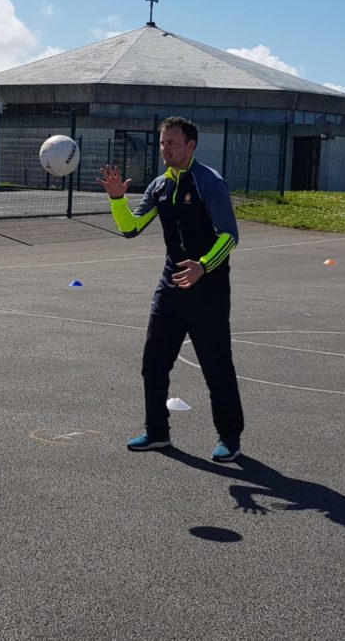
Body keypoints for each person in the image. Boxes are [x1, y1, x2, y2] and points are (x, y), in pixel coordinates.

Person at [96, 116, 246, 462]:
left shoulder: (210, 183)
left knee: (216, 365)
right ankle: (157, 432)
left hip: (208, 287)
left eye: (172, 143)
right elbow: (131, 229)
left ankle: (230, 436)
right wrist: (118, 199)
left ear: (191, 146)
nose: (165, 149)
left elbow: (229, 236)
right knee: (154, 362)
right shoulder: (160, 186)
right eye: (163, 143)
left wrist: (203, 266)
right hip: (170, 287)